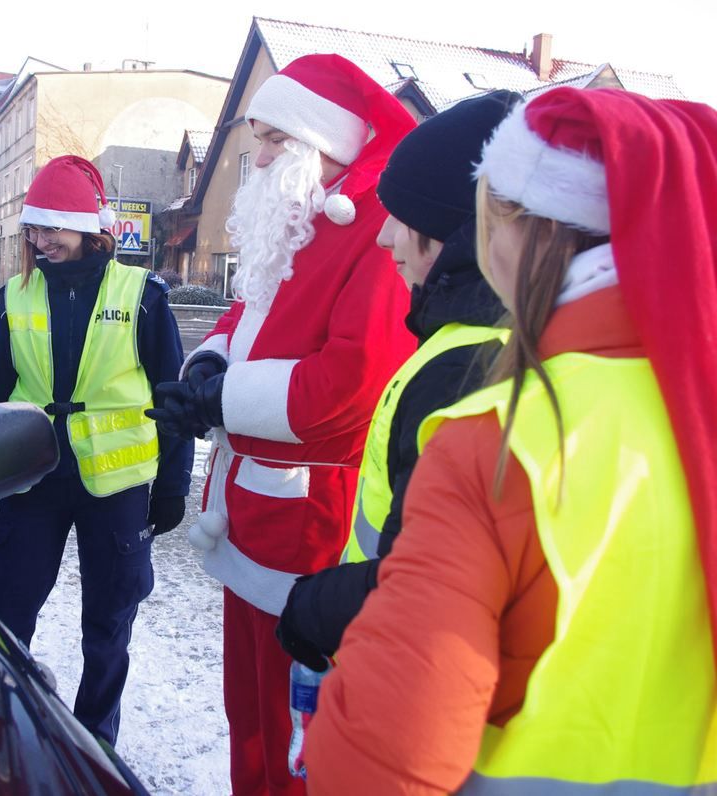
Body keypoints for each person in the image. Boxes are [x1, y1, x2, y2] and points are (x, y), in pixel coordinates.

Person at [303, 87, 717, 793]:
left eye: (491, 215)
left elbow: (385, 757)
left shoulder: (503, 440)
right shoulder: (687, 405)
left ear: (533, 232)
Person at [146, 54, 416, 794]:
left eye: (272, 140)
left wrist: (223, 401)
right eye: (256, 139)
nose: (257, 159)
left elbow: (350, 384)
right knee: (251, 718)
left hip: (310, 526)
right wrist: (209, 363)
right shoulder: (301, 211)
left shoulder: (375, 230)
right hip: (253, 510)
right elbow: (251, 311)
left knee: (297, 735)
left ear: (323, 144)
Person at [274, 91, 518, 668]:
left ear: (451, 232)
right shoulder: (467, 337)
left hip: (401, 662)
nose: (385, 240)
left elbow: (431, 578)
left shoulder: (463, 367)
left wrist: (314, 609)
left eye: (402, 220)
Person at [0, 155, 193, 746]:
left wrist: (172, 483)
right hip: (31, 480)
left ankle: (96, 743)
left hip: (116, 489)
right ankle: (0, 729)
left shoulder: (142, 296)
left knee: (108, 624)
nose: (41, 242)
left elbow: (172, 398)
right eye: (33, 230)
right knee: (2, 616)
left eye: (53, 229)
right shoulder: (10, 298)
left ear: (88, 228)